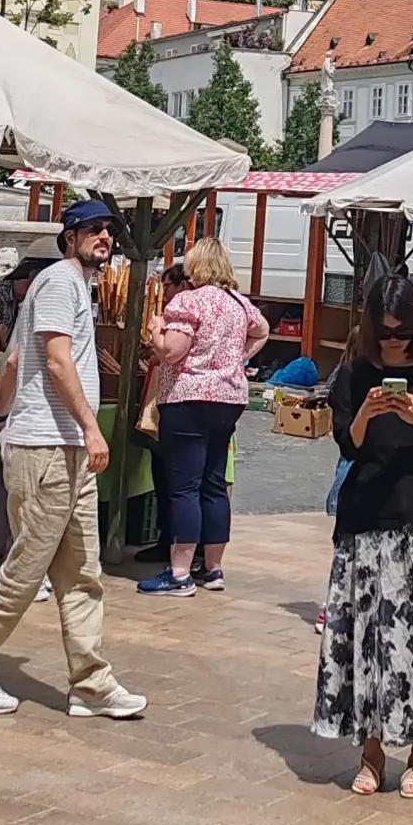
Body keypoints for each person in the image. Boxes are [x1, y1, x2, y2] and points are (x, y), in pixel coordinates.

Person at [0, 202, 146, 721]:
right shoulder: (58, 282)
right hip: (47, 449)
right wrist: (92, 428)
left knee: (82, 573)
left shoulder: (72, 286)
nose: (104, 236)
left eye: (110, 230)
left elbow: (13, 360)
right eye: (93, 229)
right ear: (69, 237)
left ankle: (91, 684)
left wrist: (0, 414)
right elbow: (55, 361)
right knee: (26, 569)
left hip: (63, 449)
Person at [314, 278, 413, 798]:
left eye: (401, 333)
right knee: (366, 638)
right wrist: (366, 415)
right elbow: (348, 447)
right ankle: (371, 752)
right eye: (384, 333)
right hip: (364, 519)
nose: (392, 343)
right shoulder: (355, 374)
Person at [136, 236, 269, 597]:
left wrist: (155, 333)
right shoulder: (238, 302)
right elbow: (262, 330)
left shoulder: (188, 301)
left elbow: (172, 352)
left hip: (189, 397)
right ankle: (213, 568)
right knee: (214, 484)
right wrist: (237, 357)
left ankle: (180, 573)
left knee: (185, 487)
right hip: (229, 398)